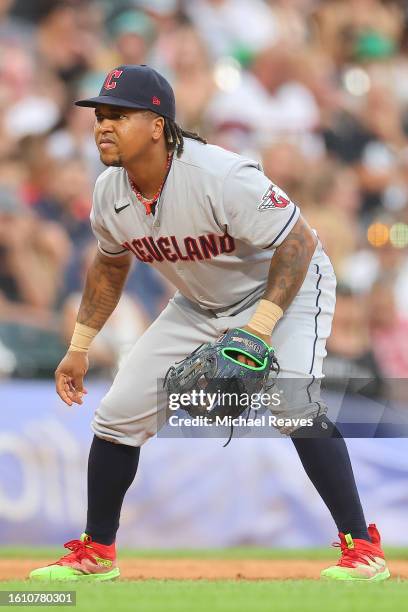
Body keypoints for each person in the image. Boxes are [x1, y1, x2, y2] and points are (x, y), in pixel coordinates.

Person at [30, 65, 389, 582]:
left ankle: (362, 549)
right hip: (199, 303)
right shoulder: (110, 192)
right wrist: (81, 343)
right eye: (99, 116)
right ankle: (97, 554)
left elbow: (298, 242)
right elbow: (110, 263)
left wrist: (260, 327)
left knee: (292, 405)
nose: (103, 125)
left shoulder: (219, 175)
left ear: (157, 124)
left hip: (285, 287)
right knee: (117, 416)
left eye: (118, 115)